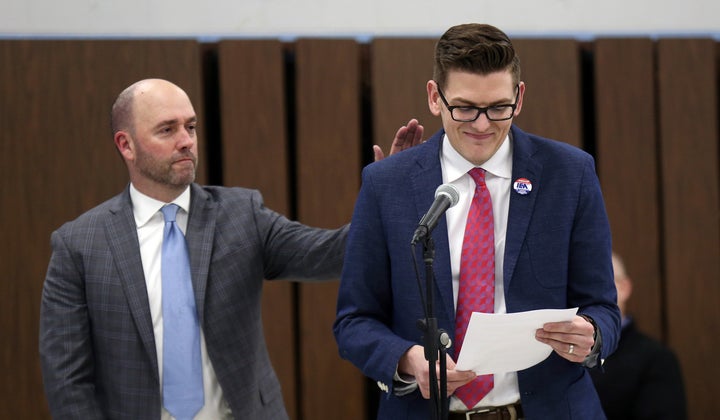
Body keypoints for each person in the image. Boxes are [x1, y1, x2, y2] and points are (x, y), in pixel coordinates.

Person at [38, 78, 422, 420]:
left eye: (190, 126)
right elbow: (67, 376)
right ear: (127, 145)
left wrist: (385, 201)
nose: (186, 140)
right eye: (167, 130)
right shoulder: (79, 245)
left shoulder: (241, 214)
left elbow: (327, 253)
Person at [333, 23, 621, 419]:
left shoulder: (570, 174)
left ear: (518, 99)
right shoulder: (388, 184)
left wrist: (593, 334)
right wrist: (407, 359)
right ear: (435, 97)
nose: (482, 124)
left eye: (497, 107)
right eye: (465, 107)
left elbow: (604, 307)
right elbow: (354, 321)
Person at [590, 252, 687, 419]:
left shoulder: (656, 359)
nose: (588, 294)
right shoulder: (553, 356)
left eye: (598, 283)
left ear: (624, 288)